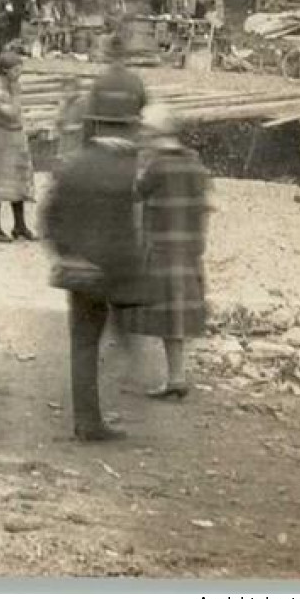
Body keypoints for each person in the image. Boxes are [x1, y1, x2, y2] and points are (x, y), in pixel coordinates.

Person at [43, 107, 154, 442]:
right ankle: (131, 385)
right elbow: (131, 225)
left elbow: (49, 215)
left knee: (83, 344)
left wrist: (68, 253)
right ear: (127, 129)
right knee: (125, 335)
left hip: (81, 273)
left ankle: (87, 420)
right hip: (117, 272)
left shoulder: (73, 165)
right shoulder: (126, 169)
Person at [122, 104, 211, 400]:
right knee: (176, 317)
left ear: (156, 133)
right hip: (187, 248)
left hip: (162, 248)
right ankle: (176, 376)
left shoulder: (158, 165)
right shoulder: (194, 162)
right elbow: (203, 204)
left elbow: (135, 193)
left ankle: (168, 376)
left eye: (147, 132)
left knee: (161, 314)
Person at [0, 51, 35, 243]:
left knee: (19, 179)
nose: (19, 73)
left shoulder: (14, 88)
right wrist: (15, 93)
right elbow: (12, 114)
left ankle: (19, 225)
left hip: (17, 137)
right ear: (5, 71)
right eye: (16, 69)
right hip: (2, 137)